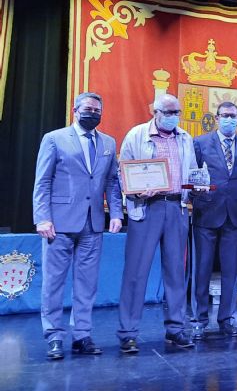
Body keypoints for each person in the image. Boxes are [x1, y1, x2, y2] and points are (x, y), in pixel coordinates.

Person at [33, 92, 123, 360]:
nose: (93, 113)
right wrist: (42, 217)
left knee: (87, 283)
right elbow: (43, 181)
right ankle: (54, 336)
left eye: (97, 109)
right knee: (53, 282)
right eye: (88, 108)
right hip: (58, 223)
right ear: (75, 110)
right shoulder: (54, 138)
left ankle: (82, 335)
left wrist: (116, 213)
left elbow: (112, 182)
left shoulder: (108, 142)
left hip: (93, 223)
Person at [116, 94, 198, 352]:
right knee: (136, 272)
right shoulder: (137, 135)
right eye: (169, 112)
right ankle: (128, 333)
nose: (174, 116)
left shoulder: (185, 138)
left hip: (176, 207)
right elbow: (123, 172)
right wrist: (137, 191)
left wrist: (197, 186)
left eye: (177, 112)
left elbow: (191, 174)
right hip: (146, 208)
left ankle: (176, 329)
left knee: (176, 271)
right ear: (156, 112)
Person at [191, 101, 237, 338]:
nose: (229, 120)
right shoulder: (199, 143)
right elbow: (193, 173)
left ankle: (226, 318)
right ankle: (199, 317)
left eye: (233, 116)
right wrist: (196, 191)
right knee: (202, 269)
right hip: (206, 212)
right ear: (216, 119)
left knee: (231, 271)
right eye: (224, 116)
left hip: (235, 215)